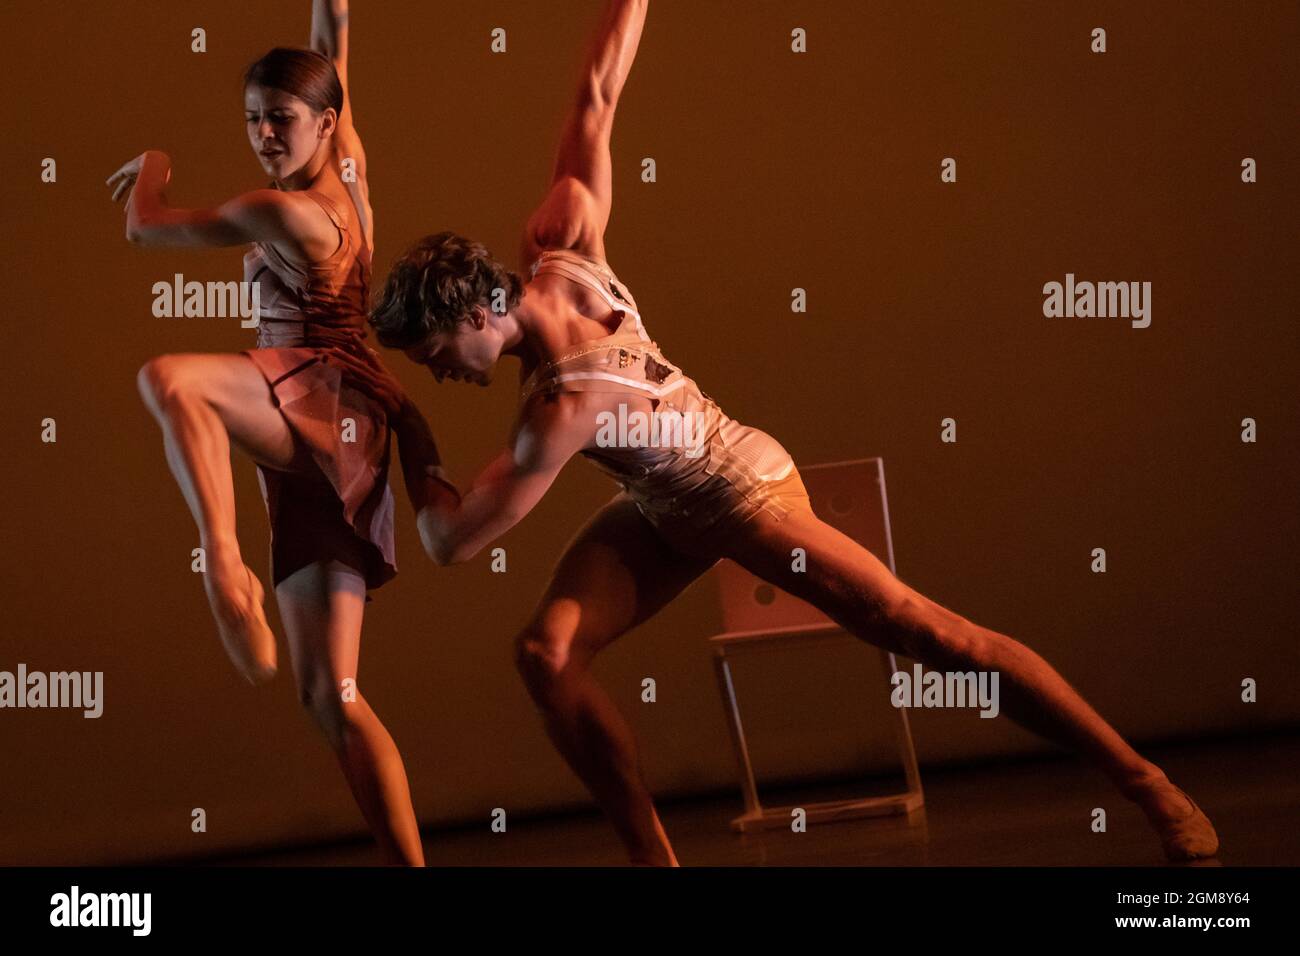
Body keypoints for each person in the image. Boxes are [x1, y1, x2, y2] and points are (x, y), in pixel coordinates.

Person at [335, 0, 1219, 866]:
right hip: (661, 505)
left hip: (740, 490)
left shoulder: (561, 409)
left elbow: (449, 538)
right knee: (545, 653)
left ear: (479, 308)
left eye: (436, 353)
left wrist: (410, 429)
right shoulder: (561, 240)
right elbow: (597, 93)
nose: (440, 372)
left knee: (927, 634)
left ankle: (1146, 784)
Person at [109, 0, 424, 866]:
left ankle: (222, 560)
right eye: (251, 120)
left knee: (170, 378)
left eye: (278, 120)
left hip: (321, 404)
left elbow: (145, 227)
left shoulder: (279, 213)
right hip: (336, 430)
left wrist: (154, 163)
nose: (262, 135)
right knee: (333, 694)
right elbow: (333, 37)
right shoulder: (349, 163)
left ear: (320, 122)